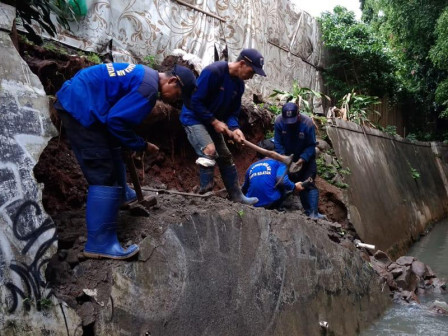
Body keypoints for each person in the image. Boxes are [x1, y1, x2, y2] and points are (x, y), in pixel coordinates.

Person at [54, 62, 196, 259]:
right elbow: (117, 122)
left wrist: (128, 140)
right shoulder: (148, 89)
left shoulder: (145, 76)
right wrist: (142, 145)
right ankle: (100, 243)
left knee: (113, 147)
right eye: (178, 95)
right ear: (172, 81)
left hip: (84, 98)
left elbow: (117, 119)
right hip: (80, 107)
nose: (175, 100)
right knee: (103, 174)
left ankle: (122, 195)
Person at [180, 48, 266, 204]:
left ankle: (237, 196)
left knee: (225, 156)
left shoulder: (239, 86)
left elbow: (232, 113)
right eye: (251, 72)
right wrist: (214, 121)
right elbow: (195, 101)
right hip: (194, 118)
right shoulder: (214, 72)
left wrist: (235, 128)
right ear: (241, 63)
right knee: (209, 150)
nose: (251, 77)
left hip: (212, 121)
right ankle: (205, 195)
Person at [274, 102, 326, 219]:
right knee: (281, 180)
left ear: (298, 115)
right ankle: (278, 206)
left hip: (305, 158)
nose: (290, 124)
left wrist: (303, 158)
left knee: (308, 182)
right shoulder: (278, 122)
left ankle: (313, 213)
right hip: (287, 158)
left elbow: (311, 145)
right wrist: (284, 157)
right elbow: (277, 142)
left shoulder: (307, 123)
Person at [242, 140, 312, 209]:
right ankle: (280, 207)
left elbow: (244, 188)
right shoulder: (278, 163)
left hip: (252, 204)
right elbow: (282, 181)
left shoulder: (251, 167)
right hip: (270, 202)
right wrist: (294, 186)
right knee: (284, 184)